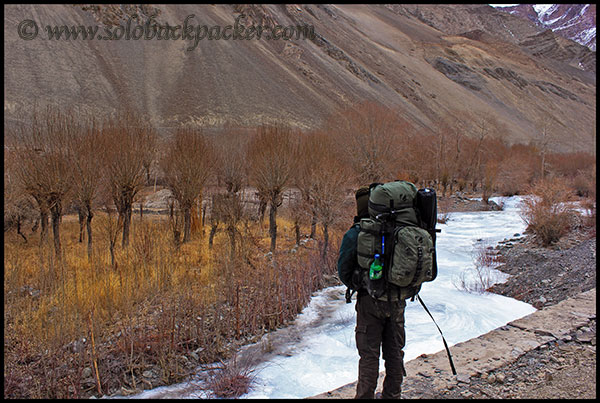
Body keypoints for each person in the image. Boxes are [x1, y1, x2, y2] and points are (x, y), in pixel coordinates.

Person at [337, 186, 407, 399]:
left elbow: (344, 271)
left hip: (369, 302)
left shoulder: (357, 233)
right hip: (397, 300)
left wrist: (360, 283)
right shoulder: (399, 228)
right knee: (395, 354)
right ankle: (392, 395)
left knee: (369, 356)